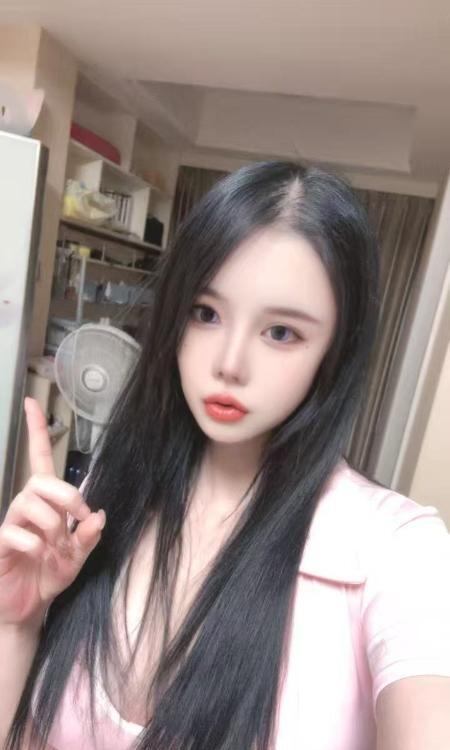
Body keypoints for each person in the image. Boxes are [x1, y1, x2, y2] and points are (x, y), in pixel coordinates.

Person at [1, 161, 450, 750]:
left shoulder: (397, 549)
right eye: (205, 313)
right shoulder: (114, 491)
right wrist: (16, 621)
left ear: (334, 352)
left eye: (281, 332)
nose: (229, 363)